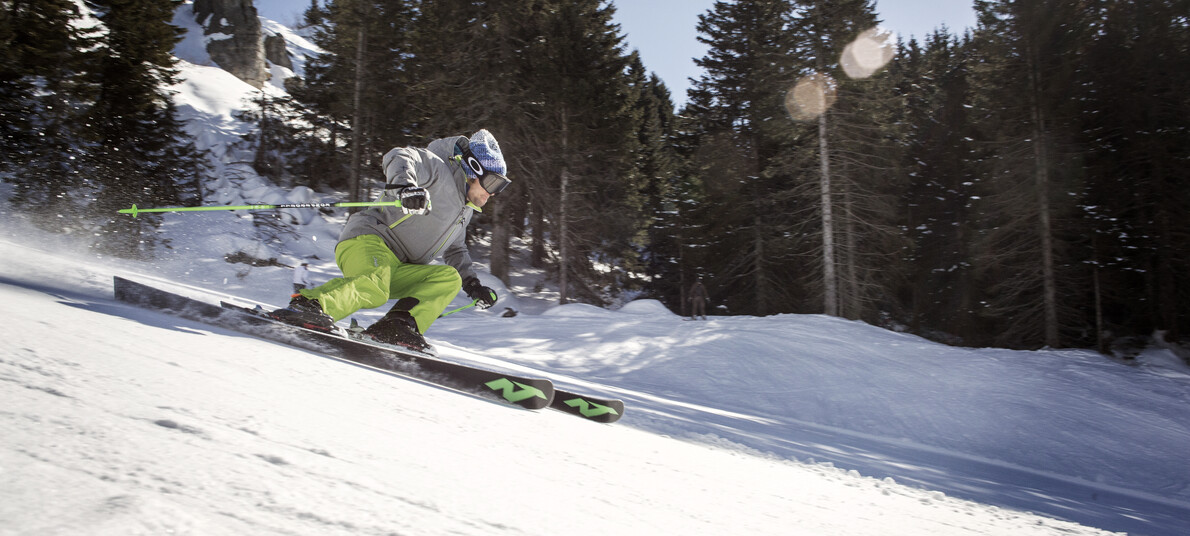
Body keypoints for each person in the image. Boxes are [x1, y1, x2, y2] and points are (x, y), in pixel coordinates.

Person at [271, 129, 510, 351]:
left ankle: (396, 327)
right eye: (492, 182)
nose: (493, 193)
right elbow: (399, 155)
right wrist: (405, 188)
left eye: (501, 186)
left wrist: (472, 285)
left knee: (447, 279)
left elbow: (456, 249)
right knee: (375, 285)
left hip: (398, 267)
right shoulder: (437, 168)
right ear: (472, 169)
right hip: (368, 241)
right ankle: (311, 307)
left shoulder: (464, 210)